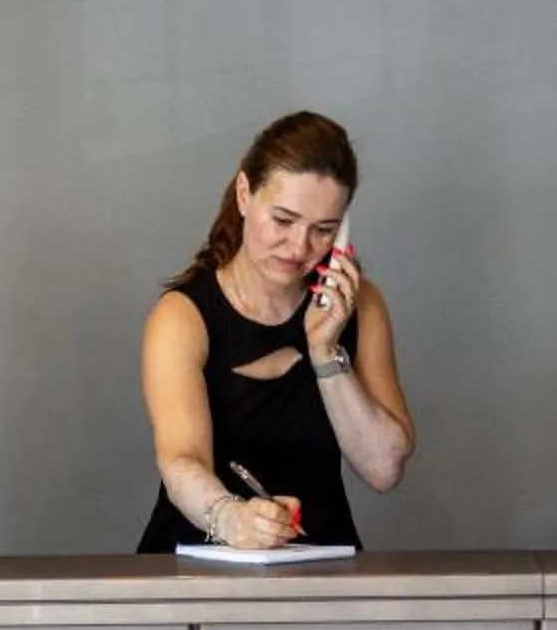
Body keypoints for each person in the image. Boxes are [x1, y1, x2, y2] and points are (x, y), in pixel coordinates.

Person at [138, 112, 416, 551]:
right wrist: (231, 517)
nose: (299, 247)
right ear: (245, 194)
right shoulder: (183, 316)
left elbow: (384, 467)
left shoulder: (359, 305)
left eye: (323, 230)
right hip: (199, 563)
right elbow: (181, 459)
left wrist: (326, 353)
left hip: (321, 564)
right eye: (283, 220)